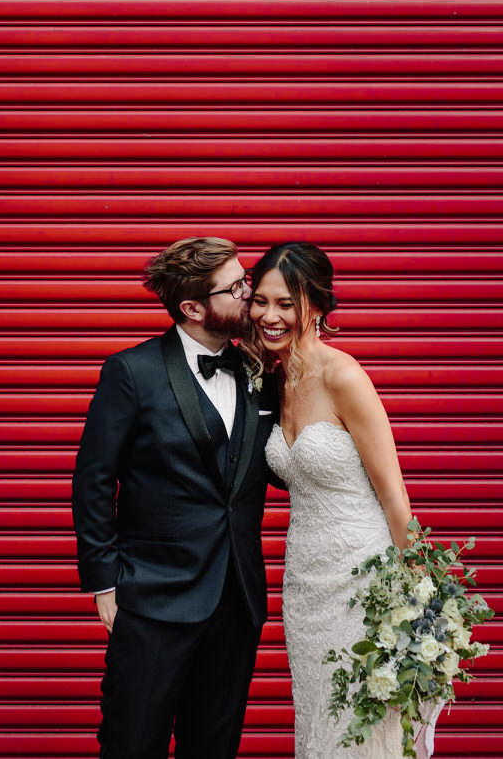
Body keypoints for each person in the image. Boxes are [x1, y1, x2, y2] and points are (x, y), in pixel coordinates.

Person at [72, 236, 279, 759]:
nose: (249, 295)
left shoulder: (260, 371)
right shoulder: (130, 373)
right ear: (192, 308)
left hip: (237, 601)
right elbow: (94, 479)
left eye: (245, 279)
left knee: (213, 748)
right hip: (153, 600)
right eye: (236, 288)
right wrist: (104, 585)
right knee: (132, 744)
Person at [248, 240, 412, 758]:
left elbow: (395, 500)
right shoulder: (275, 379)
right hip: (304, 585)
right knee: (319, 718)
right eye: (260, 301)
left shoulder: (344, 376)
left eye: (285, 303)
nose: (268, 315)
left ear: (316, 305)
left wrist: (413, 605)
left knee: (363, 723)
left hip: (362, 579)